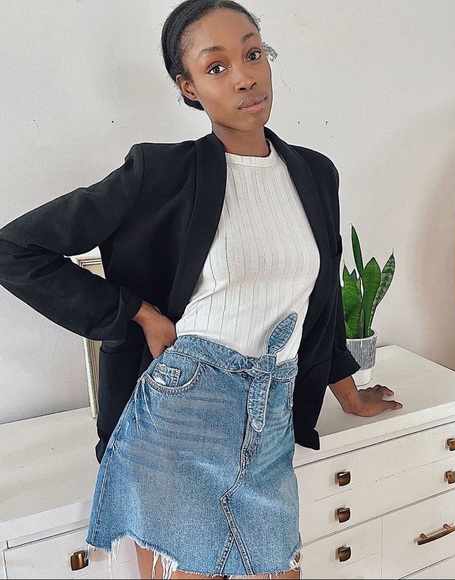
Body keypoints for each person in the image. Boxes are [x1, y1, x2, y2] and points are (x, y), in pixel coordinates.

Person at [0, 1, 402, 578]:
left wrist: (350, 394)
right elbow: (15, 249)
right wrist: (138, 313)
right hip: (180, 417)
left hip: (271, 419)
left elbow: (320, 305)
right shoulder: (161, 173)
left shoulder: (316, 173)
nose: (244, 76)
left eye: (252, 54)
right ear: (187, 87)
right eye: (217, 67)